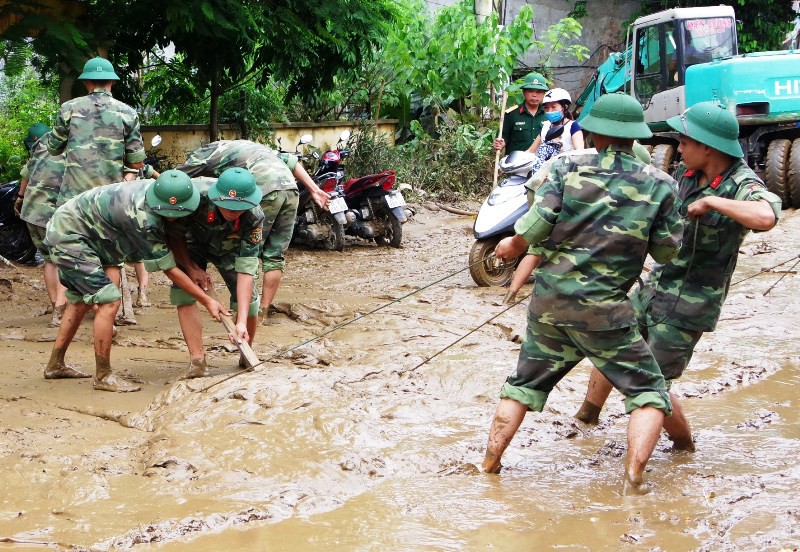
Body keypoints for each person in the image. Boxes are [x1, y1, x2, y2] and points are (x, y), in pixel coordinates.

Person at [481, 93, 683, 494]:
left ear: (591, 132)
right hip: (605, 310)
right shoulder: (661, 184)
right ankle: (634, 480)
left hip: (550, 305)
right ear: (635, 139)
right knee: (649, 392)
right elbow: (666, 251)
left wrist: (509, 247)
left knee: (521, 385)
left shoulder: (565, 167)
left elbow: (534, 228)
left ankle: (489, 466)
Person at [574, 102, 781, 451]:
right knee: (611, 343)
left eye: (685, 142)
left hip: (690, 303)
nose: (679, 148)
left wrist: (714, 202)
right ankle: (586, 418)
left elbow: (767, 215)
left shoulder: (741, 183)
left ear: (707, 146)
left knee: (653, 383)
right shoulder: (685, 175)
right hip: (655, 285)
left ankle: (684, 448)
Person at [42, 171, 227, 392]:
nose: (173, 218)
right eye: (168, 214)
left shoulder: (177, 190)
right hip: (69, 234)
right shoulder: (142, 217)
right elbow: (167, 268)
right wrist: (207, 301)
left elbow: (174, 235)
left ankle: (55, 365)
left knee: (81, 300)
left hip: (91, 231)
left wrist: (192, 267)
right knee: (109, 300)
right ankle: (103, 375)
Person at [175, 140, 330, 320]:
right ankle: (261, 311)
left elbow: (177, 180)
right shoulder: (258, 148)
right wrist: (315, 190)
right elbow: (293, 163)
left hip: (261, 188)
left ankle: (248, 311)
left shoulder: (207, 153)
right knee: (274, 255)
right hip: (290, 189)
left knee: (243, 252)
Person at [47, 56, 151, 310]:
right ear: (112, 83)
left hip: (73, 196)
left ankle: (62, 310)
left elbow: (53, 148)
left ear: (87, 83)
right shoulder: (127, 112)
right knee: (110, 257)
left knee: (67, 251)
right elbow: (137, 162)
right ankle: (108, 312)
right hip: (109, 198)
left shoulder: (69, 108)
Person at [165, 168, 265, 379]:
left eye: (239, 209)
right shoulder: (194, 198)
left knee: (251, 301)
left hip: (231, 247)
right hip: (192, 244)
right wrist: (191, 267)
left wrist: (241, 321)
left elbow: (247, 271)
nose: (233, 212)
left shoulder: (254, 216)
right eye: (227, 206)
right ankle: (197, 361)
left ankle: (245, 352)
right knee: (184, 293)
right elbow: (175, 236)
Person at [14, 123, 68, 327]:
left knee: (49, 260)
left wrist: (19, 198)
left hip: (31, 211)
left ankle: (56, 306)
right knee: (64, 260)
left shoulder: (40, 146)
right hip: (54, 213)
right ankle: (60, 313)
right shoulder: (73, 147)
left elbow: (25, 176)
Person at [493, 72, 549, 154]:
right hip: (516, 163)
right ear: (524, 92)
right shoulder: (511, 114)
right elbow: (502, 138)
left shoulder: (548, 115)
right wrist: (500, 144)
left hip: (541, 163)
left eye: (539, 92)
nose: (534, 95)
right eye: (530, 91)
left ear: (544, 94)